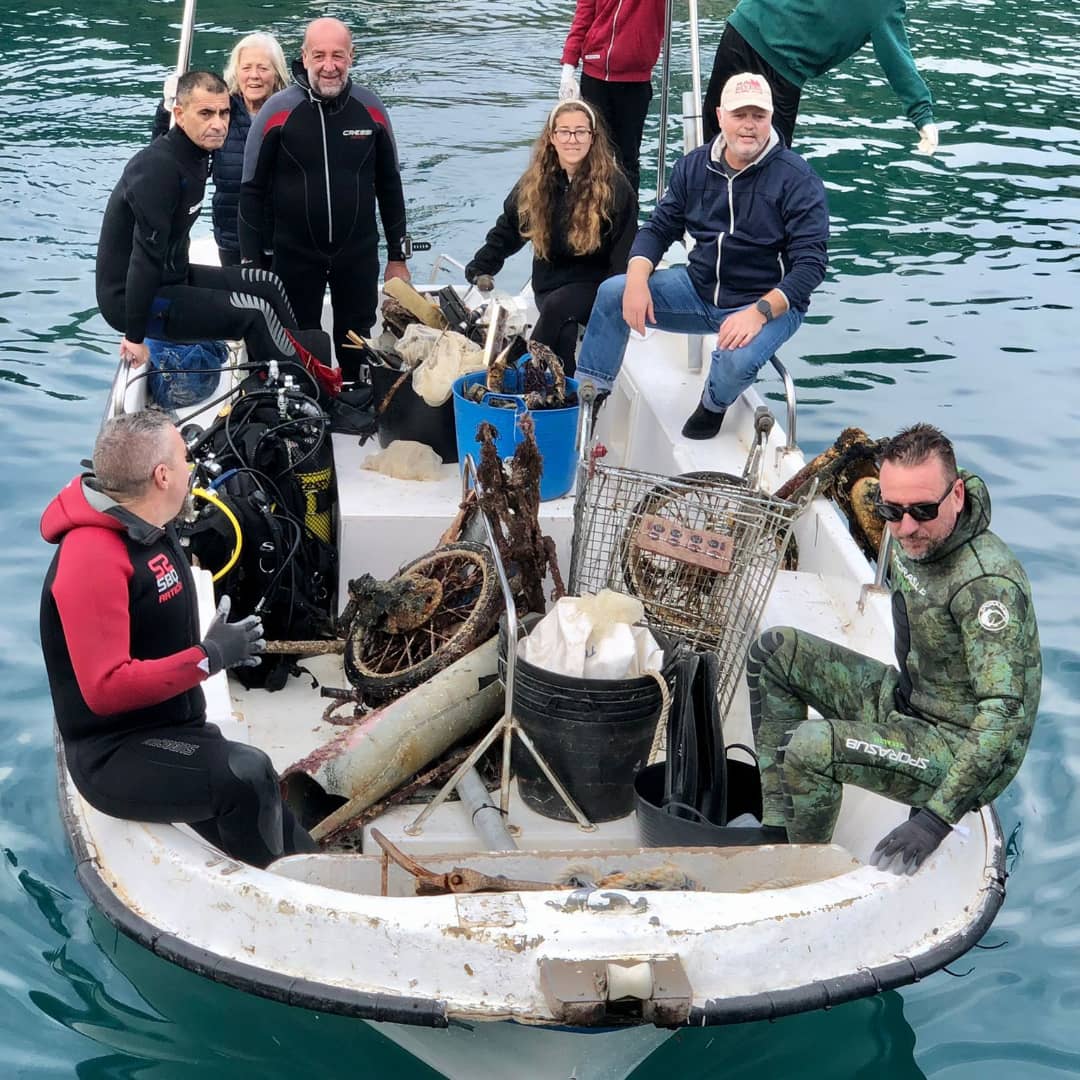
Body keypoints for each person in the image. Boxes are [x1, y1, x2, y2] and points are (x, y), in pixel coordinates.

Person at [746, 424, 1041, 874]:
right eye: (892, 509)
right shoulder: (910, 531)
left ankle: (801, 875)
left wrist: (934, 820)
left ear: (957, 494)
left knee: (810, 746)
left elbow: (1004, 715)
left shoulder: (986, 585)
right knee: (775, 652)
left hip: (955, 746)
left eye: (923, 510)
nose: (906, 528)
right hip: (907, 700)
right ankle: (778, 831)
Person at [40, 411, 317, 868]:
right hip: (113, 753)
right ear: (162, 476)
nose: (192, 467)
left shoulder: (148, 522)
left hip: (175, 725)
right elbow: (105, 688)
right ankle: (283, 890)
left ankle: (310, 867)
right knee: (245, 776)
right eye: (185, 458)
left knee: (263, 779)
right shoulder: (91, 559)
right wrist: (208, 657)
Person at [575, 73, 828, 440]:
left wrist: (758, 312)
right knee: (613, 292)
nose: (749, 125)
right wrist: (637, 279)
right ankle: (590, 397)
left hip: (766, 302)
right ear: (720, 116)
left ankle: (713, 404)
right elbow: (659, 228)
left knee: (736, 359)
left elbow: (811, 265)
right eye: (739, 115)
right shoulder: (693, 167)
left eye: (758, 116)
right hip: (698, 289)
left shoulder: (797, 178)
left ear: (771, 119)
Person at [96, 70, 307, 374]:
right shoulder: (157, 169)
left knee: (268, 285)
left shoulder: (198, 154)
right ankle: (295, 388)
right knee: (255, 314)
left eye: (224, 113)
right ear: (180, 115)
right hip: (132, 299)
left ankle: (306, 369)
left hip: (173, 275)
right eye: (206, 113)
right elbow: (144, 258)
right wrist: (135, 336)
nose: (218, 124)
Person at [239, 17, 410, 378]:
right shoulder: (277, 111)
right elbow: (251, 191)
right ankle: (311, 402)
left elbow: (390, 185)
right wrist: (251, 262)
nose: (329, 66)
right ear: (304, 57)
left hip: (357, 255)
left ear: (351, 56)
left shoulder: (370, 108)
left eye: (338, 55)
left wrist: (398, 257)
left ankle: (355, 396)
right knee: (300, 342)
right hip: (295, 256)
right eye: (319, 56)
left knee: (357, 341)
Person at [464, 101, 637, 376]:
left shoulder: (615, 187)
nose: (572, 139)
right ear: (552, 137)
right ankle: (566, 393)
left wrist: (616, 300)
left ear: (593, 138)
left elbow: (624, 250)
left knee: (559, 308)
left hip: (597, 284)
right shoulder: (536, 183)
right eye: (564, 131)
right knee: (564, 332)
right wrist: (482, 266)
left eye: (580, 132)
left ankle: (521, 373)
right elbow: (509, 228)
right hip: (549, 283)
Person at [701, 0, 938, 153]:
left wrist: (922, 115)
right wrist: (923, 117)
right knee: (767, 165)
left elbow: (897, 60)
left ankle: (708, 201)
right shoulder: (884, 7)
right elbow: (897, 61)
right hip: (766, 50)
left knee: (722, 139)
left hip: (746, 32)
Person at [153, 34, 290, 265]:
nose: (254, 75)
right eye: (246, 67)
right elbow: (168, 154)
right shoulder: (221, 113)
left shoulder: (291, 111)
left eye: (263, 68)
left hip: (284, 239)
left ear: (276, 73)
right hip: (233, 239)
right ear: (236, 72)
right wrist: (167, 108)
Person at [558, 0, 666, 194]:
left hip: (635, 79)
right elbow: (583, 15)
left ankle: (628, 211)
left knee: (627, 160)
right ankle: (585, 209)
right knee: (590, 155)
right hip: (594, 76)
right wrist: (568, 68)